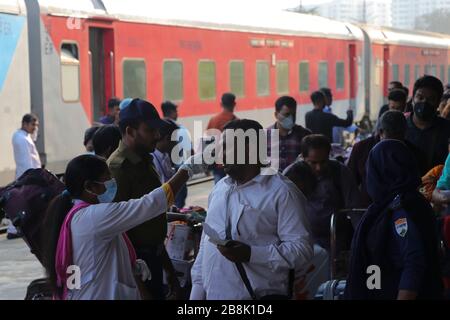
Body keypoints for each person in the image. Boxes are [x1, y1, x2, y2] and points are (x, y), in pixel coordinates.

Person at [41, 153, 202, 300]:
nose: (112, 184)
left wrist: (129, 263)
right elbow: (149, 205)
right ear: (90, 186)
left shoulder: (77, 214)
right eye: (107, 180)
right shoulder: (94, 217)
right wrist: (186, 170)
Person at [190, 119, 313, 300]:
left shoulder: (282, 192)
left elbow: (302, 250)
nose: (220, 155)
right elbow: (206, 247)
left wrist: (251, 254)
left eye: (226, 147)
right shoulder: (220, 188)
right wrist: (196, 295)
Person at [345, 140, 443, 300]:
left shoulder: (401, 208)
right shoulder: (396, 205)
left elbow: (414, 262)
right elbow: (374, 261)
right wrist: (373, 291)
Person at [107, 98, 180, 300]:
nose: (157, 136)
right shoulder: (118, 169)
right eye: (150, 130)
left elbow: (152, 219)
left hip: (152, 257)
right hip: (136, 266)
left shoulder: (145, 161)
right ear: (130, 131)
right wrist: (140, 287)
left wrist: (169, 270)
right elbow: (118, 233)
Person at [300, 134, 362, 250]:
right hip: (303, 240)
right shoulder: (293, 174)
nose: (318, 168)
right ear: (303, 158)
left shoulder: (340, 172)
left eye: (323, 162)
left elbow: (354, 209)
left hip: (335, 239)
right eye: (313, 163)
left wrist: (361, 238)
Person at [405, 75, 450, 173]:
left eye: (431, 99)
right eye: (420, 97)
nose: (424, 102)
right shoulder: (401, 127)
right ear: (412, 99)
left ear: (438, 103)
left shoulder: (447, 129)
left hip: (437, 186)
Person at [266, 96, 311, 172]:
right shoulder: (265, 136)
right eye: (287, 115)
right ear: (276, 115)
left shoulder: (305, 135)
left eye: (293, 115)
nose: (291, 118)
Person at [161, 101, 191, 208]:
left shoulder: (160, 128)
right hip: (178, 172)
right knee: (178, 204)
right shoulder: (180, 130)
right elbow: (189, 151)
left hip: (169, 176)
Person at [206, 93, 239, 183]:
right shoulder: (237, 122)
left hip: (217, 163)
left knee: (219, 189)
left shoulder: (213, 120)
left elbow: (208, 143)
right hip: (234, 163)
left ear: (221, 104)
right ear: (234, 104)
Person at [12, 114, 42, 179]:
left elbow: (34, 138)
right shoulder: (22, 139)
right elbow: (26, 163)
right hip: (28, 179)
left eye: (36, 125)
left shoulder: (24, 135)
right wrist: (32, 179)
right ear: (25, 124)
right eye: (33, 124)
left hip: (29, 176)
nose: (35, 128)